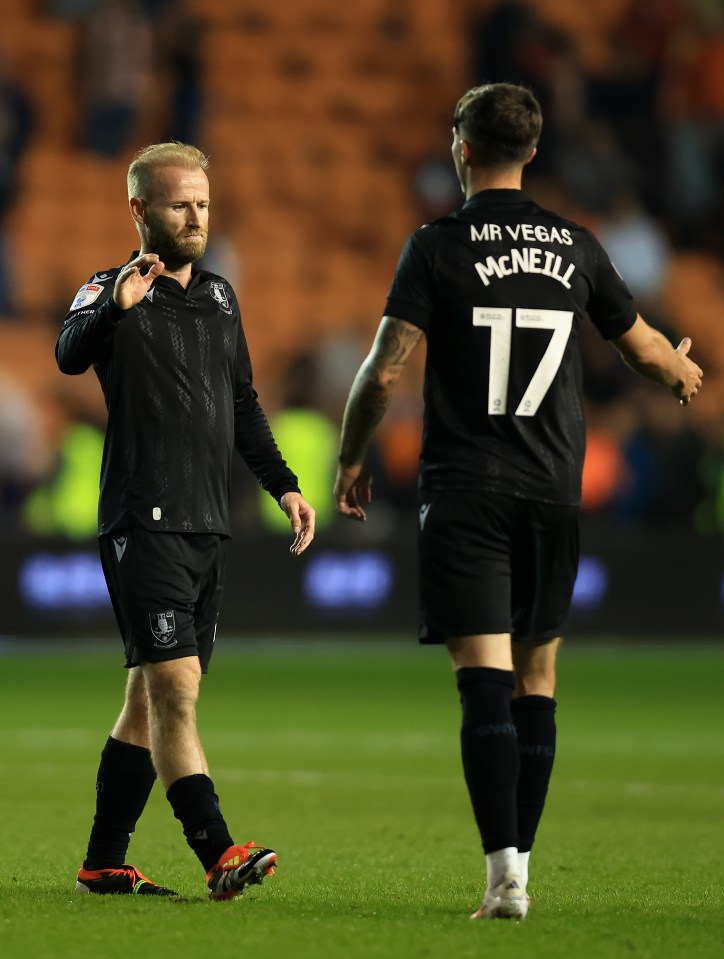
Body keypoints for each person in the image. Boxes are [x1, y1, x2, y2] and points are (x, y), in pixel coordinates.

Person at [333, 83, 702, 921]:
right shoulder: (576, 245)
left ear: (463, 148)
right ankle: (521, 870)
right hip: (551, 488)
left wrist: (353, 454)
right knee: (538, 676)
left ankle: (502, 875)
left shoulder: (436, 244)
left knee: (482, 681)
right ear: (530, 151)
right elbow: (641, 344)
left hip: (467, 488)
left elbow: (385, 368)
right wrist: (680, 370)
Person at [56, 142, 315, 900]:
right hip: (145, 518)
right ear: (139, 210)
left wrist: (284, 485)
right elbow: (69, 355)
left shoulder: (222, 298)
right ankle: (217, 850)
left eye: (203, 203)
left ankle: (104, 862)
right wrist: (112, 308)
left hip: (207, 523)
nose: (196, 216)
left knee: (146, 694)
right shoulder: (109, 290)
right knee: (174, 690)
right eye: (179, 204)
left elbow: (241, 403)